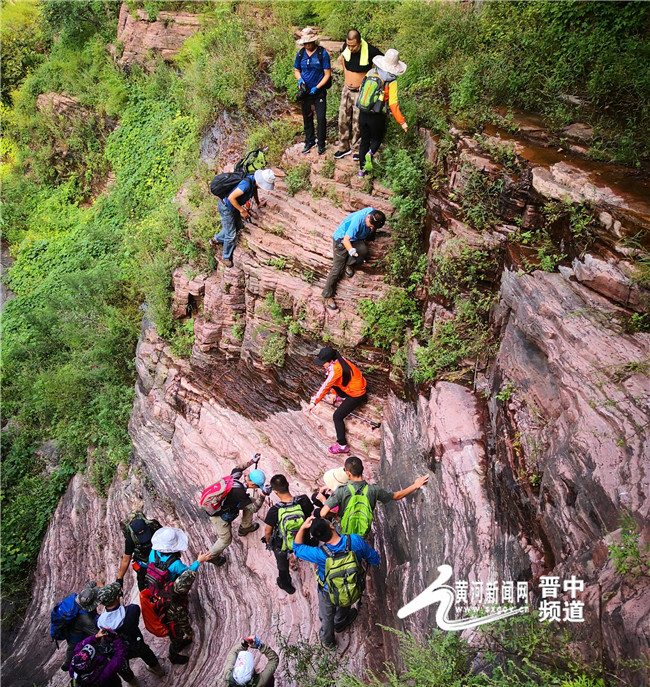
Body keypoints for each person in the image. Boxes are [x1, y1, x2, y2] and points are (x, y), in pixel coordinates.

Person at [293, 516, 380, 649]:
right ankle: (340, 623)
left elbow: (297, 549)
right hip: (351, 584)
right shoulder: (354, 540)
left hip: (327, 590)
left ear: (320, 539)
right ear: (331, 526)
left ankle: (328, 641)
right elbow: (374, 558)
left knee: (326, 616)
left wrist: (303, 527)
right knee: (345, 601)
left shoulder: (319, 554)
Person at [318, 456, 429, 537]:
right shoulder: (373, 490)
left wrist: (336, 517)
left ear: (348, 474)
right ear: (362, 469)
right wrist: (415, 485)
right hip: (363, 530)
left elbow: (322, 513)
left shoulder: (341, 491)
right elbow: (396, 496)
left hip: (344, 530)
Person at [96, 582, 164, 684]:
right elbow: (135, 613)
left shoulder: (99, 621)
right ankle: (158, 670)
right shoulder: (131, 610)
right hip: (136, 643)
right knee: (147, 654)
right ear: (117, 598)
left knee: (123, 669)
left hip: (117, 650)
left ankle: (133, 683)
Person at [321, 207, 386, 310]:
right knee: (337, 270)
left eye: (374, 228)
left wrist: (370, 234)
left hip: (355, 238)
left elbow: (373, 227)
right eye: (371, 227)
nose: (372, 229)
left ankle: (349, 264)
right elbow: (346, 241)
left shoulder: (374, 214)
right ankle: (328, 295)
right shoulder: (357, 220)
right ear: (367, 217)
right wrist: (356, 256)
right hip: (342, 240)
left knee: (364, 250)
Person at [357, 49, 408, 177]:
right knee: (376, 140)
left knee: (364, 140)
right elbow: (393, 103)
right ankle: (370, 153)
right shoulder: (391, 80)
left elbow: (361, 90)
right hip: (377, 115)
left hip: (363, 112)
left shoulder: (370, 72)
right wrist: (402, 122)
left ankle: (361, 171)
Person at [307, 347, 368, 454]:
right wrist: (334, 393)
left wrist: (314, 402)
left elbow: (326, 385)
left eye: (323, 363)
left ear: (330, 361)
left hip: (357, 394)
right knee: (335, 388)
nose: (322, 365)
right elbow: (335, 382)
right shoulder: (339, 360)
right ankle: (345, 397)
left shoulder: (336, 369)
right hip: (355, 387)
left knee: (337, 416)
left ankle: (342, 446)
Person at [210, 169, 276, 267]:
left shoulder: (253, 181)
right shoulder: (246, 184)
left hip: (233, 206)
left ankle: (215, 239)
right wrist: (242, 211)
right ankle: (225, 257)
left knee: (238, 226)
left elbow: (254, 191)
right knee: (230, 234)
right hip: (226, 207)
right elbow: (231, 198)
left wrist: (258, 203)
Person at [207, 459, 267, 567]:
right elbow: (254, 509)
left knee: (251, 501)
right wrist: (263, 495)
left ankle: (245, 527)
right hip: (218, 516)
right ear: (252, 484)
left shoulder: (237, 475)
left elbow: (239, 467)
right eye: (257, 487)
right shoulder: (239, 491)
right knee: (225, 540)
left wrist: (252, 461)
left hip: (226, 504)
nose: (257, 488)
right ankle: (211, 557)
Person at [334, 30, 383, 161]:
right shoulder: (346, 47)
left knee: (358, 122)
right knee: (342, 118)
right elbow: (343, 59)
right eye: (348, 45)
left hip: (361, 92)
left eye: (353, 46)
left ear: (360, 43)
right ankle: (344, 147)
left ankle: (357, 148)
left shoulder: (371, 51)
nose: (350, 48)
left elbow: (383, 65)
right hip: (347, 89)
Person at [262, 473, 314, 595]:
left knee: (282, 565)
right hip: (302, 538)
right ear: (288, 485)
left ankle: (286, 584)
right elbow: (309, 515)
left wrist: (269, 542)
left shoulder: (275, 510)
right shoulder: (304, 500)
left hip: (282, 544)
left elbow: (268, 531)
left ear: (275, 492)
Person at [148, 569, 198, 665]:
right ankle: (173, 656)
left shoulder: (169, 585)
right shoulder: (177, 606)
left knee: (176, 638)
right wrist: (189, 633)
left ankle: (177, 646)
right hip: (171, 625)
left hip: (165, 616)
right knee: (176, 639)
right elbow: (183, 622)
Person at [294, 27, 331, 156]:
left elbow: (327, 74)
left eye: (309, 43)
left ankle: (321, 144)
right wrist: (300, 80)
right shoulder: (300, 54)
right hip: (305, 92)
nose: (307, 45)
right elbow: (296, 70)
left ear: (314, 41)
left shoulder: (322, 54)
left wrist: (318, 86)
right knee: (307, 117)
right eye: (305, 43)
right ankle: (309, 141)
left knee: (321, 118)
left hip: (318, 92)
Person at [57, 583, 101, 673]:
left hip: (71, 628)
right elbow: (96, 634)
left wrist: (94, 584)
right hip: (75, 635)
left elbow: (90, 584)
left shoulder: (82, 596)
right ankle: (66, 665)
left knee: (70, 647)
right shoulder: (86, 620)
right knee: (72, 647)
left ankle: (66, 664)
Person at [117, 512, 162, 592]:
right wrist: (119, 579)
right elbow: (126, 559)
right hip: (143, 564)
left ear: (146, 525)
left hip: (159, 559)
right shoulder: (130, 540)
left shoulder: (154, 526)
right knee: (143, 589)